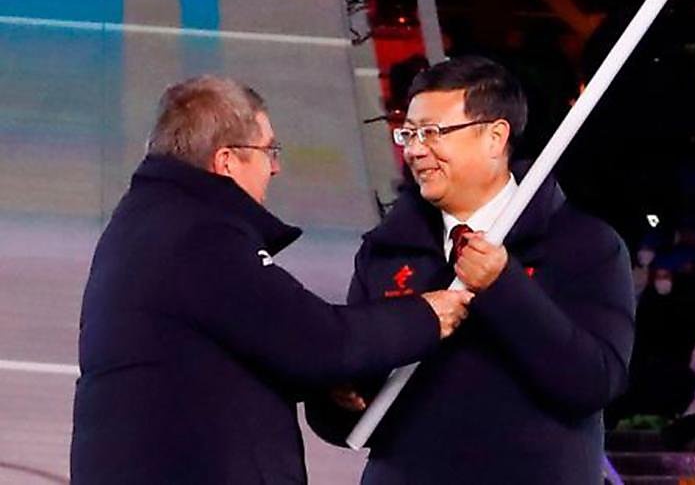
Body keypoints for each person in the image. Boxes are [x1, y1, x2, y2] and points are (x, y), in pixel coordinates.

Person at [71, 77, 469, 484]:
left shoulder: (148, 223)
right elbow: (318, 339)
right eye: (269, 151)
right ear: (227, 161)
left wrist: (323, 381)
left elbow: (239, 349)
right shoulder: (201, 236)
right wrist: (426, 315)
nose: (275, 167)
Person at [308, 56, 635, 483]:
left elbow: (594, 382)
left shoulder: (584, 244)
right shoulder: (387, 250)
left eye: (433, 133)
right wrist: (339, 397)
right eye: (409, 133)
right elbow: (350, 412)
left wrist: (503, 285)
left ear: (495, 137)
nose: (414, 150)